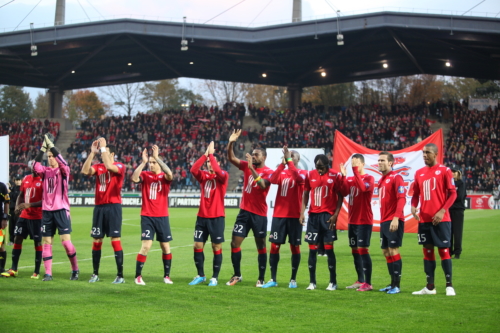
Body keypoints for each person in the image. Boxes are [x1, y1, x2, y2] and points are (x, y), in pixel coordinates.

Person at [226, 129, 273, 287]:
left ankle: (261, 278)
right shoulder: (246, 166)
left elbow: (261, 184)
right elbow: (231, 158)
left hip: (259, 215)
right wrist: (231, 142)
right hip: (244, 213)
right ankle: (237, 275)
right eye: (253, 154)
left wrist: (252, 168)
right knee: (234, 243)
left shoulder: (269, 172)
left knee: (260, 246)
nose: (253, 156)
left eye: (257, 154)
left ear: (264, 157)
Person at [411, 143, 457, 296]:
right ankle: (430, 287)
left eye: (428, 152)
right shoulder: (419, 173)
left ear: (435, 154)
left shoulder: (445, 171)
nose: (424, 155)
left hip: (441, 220)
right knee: (427, 252)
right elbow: (415, 194)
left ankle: (449, 285)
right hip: (424, 220)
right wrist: (413, 206)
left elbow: (453, 194)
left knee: (444, 251)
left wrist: (442, 211)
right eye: (423, 153)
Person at [33, 134, 79, 281]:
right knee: (46, 242)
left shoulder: (63, 171)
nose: (50, 158)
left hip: (61, 210)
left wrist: (51, 145)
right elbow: (35, 166)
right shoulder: (45, 171)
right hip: (47, 211)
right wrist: (43, 149)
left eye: (52, 156)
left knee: (66, 242)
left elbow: (64, 163)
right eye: (49, 156)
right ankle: (48, 273)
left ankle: (75, 269)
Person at [81, 138, 126, 284]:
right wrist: (92, 154)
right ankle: (95, 274)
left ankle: (120, 275)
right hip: (99, 207)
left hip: (113, 206)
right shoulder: (99, 166)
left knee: (115, 240)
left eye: (104, 152)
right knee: (97, 240)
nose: (102, 154)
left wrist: (104, 148)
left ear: (112, 154)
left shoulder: (119, 165)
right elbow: (84, 171)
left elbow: (109, 165)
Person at [262, 146, 307, 289]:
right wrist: (282, 164)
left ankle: (293, 279)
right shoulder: (282, 172)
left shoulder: (303, 173)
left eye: (292, 156)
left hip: (294, 216)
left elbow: (298, 178)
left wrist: (288, 161)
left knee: (295, 247)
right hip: (279, 216)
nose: (290, 158)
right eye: (289, 156)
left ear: (298, 160)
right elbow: (273, 179)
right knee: (274, 246)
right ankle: (273, 279)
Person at [188, 141, 229, 287]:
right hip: (202, 217)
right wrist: (205, 155)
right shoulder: (204, 176)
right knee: (197, 245)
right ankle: (201, 275)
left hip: (217, 217)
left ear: (217, 162)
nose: (210, 164)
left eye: (212, 162)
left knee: (216, 247)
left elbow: (218, 171)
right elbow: (193, 169)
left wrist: (211, 155)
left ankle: (215, 277)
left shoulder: (223, 176)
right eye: (208, 162)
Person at [131, 145, 174, 285]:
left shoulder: (164, 177)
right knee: (146, 246)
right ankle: (138, 276)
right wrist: (143, 163)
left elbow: (170, 174)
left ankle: (167, 276)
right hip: (147, 215)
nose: (151, 164)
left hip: (162, 216)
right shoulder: (145, 175)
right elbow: (134, 178)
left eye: (153, 162)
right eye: (150, 162)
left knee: (165, 247)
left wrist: (157, 158)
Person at [300, 154, 343, 291]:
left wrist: (336, 214)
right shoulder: (309, 174)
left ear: (327, 166)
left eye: (322, 168)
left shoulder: (335, 175)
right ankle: (312, 282)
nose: (319, 170)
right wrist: (302, 212)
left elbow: (341, 195)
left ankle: (333, 282)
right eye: (317, 167)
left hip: (328, 217)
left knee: (329, 249)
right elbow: (306, 193)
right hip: (313, 217)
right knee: (312, 250)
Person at [339, 154, 375, 292]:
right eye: (353, 163)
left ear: (363, 164)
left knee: (363, 250)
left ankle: (368, 282)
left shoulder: (369, 179)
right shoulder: (351, 178)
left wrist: (354, 171)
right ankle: (360, 280)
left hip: (364, 220)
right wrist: (343, 177)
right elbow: (344, 191)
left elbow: (363, 188)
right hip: (352, 220)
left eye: (357, 163)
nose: (355, 165)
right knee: (354, 250)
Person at [1, 170, 43, 278]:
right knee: (17, 238)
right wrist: (17, 207)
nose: (35, 168)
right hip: (24, 215)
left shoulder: (43, 180)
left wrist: (30, 205)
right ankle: (14, 269)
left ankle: (36, 271)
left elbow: (46, 200)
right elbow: (21, 194)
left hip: (37, 216)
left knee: (37, 242)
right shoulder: (26, 179)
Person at [376, 152, 406, 294]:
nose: (379, 163)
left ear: (391, 163)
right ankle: (391, 283)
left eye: (382, 160)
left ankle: (397, 285)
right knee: (386, 251)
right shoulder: (381, 180)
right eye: (378, 160)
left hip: (394, 220)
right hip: (384, 221)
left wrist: (396, 217)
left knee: (394, 250)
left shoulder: (397, 177)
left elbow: (401, 198)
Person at [449, 164, 466, 259]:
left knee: (457, 232)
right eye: (451, 171)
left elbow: (460, 197)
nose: (452, 173)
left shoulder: (461, 183)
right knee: (449, 232)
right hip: (449, 210)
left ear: (458, 173)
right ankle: (449, 251)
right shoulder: (448, 183)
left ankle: (457, 252)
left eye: (454, 172)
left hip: (458, 211)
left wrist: (449, 201)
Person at [8, 176, 22, 246]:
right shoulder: (13, 188)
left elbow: (17, 197)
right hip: (12, 209)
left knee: (17, 225)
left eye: (19, 180)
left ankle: (17, 240)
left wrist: (10, 193)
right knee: (11, 225)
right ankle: (11, 240)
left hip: (18, 210)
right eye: (16, 180)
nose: (17, 181)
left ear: (21, 181)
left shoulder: (22, 188)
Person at [0, 181, 10, 273]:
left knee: (1, 245)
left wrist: (5, 218)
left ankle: (1, 269)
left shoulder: (2, 186)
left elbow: (7, 202)